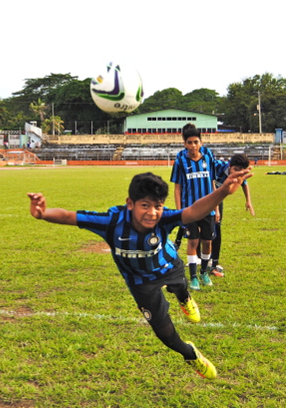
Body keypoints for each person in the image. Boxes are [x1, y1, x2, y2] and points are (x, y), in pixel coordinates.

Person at [27, 169, 252, 378]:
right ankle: (191, 354)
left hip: (167, 266)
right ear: (130, 203)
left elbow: (193, 212)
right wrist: (43, 213)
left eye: (158, 206)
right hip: (140, 283)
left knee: (180, 286)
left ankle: (184, 299)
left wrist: (223, 191)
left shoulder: (163, 219)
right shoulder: (112, 222)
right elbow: (69, 216)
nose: (152, 213)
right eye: (145, 205)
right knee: (165, 335)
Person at [170, 126, 225, 290]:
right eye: (189, 143)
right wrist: (180, 212)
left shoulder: (208, 157)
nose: (193, 145)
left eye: (196, 142)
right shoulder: (180, 161)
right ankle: (193, 277)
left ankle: (203, 273)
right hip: (190, 210)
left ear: (201, 142)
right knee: (193, 241)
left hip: (208, 209)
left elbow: (213, 183)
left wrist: (216, 208)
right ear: (184, 144)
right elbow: (177, 188)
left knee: (207, 242)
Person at [208, 153, 255, 276]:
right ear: (229, 165)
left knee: (216, 227)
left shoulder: (240, 173)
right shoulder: (216, 166)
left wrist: (248, 201)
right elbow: (211, 184)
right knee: (200, 225)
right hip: (205, 196)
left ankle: (214, 263)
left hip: (219, 197)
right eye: (235, 170)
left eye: (241, 171)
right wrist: (216, 209)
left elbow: (244, 183)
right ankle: (198, 257)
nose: (237, 173)